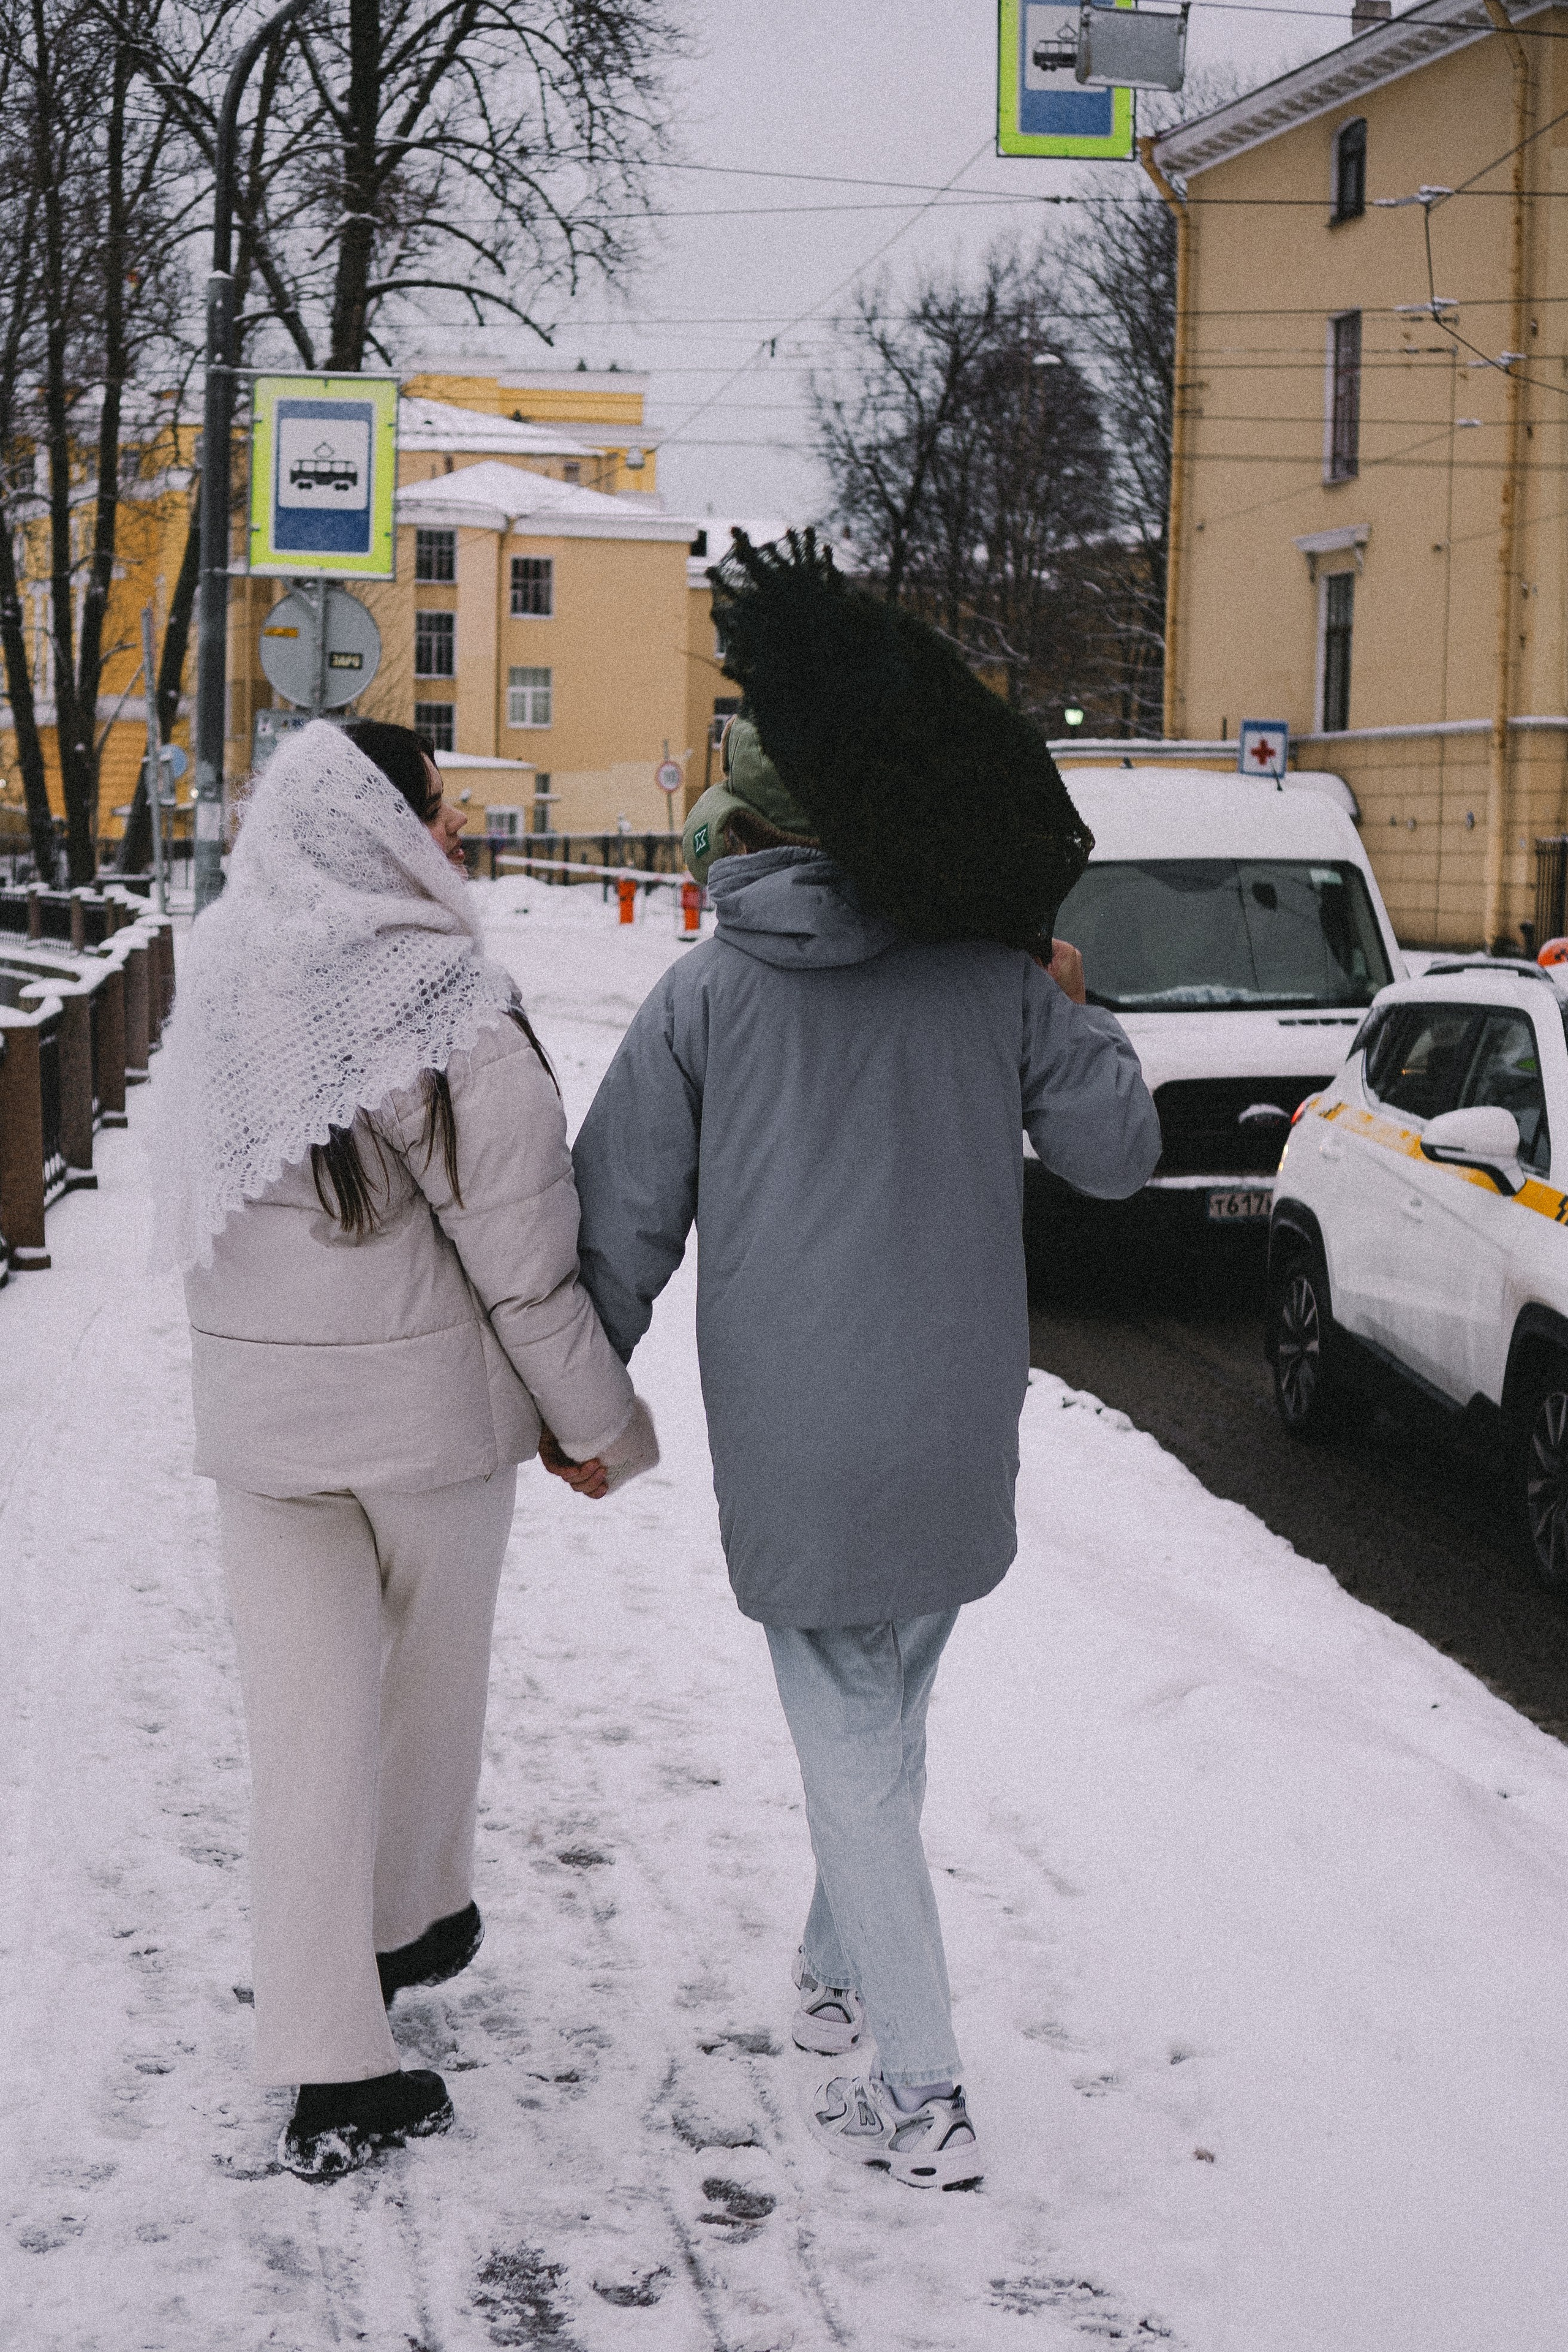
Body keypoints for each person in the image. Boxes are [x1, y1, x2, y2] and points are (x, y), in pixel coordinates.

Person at [570, 534, 1160, 2191]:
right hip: (959, 1425)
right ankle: (842, 1973)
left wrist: (569, 1395)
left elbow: (620, 1228)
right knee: (884, 1713)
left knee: (848, 1741)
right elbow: (1116, 1157)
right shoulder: (996, 980)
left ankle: (921, 2084)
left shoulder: (699, 1002)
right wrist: (1075, 1000)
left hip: (802, 1439)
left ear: (741, 832)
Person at [152, 718, 655, 2179]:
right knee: (424, 1701)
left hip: (262, 1441)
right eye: (431, 812)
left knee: (302, 1739)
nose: (449, 835)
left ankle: (332, 2065)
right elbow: (522, 1264)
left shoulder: (219, 986)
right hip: (426, 1437)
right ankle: (410, 1919)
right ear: (376, 828)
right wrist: (599, 1432)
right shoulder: (445, 1004)